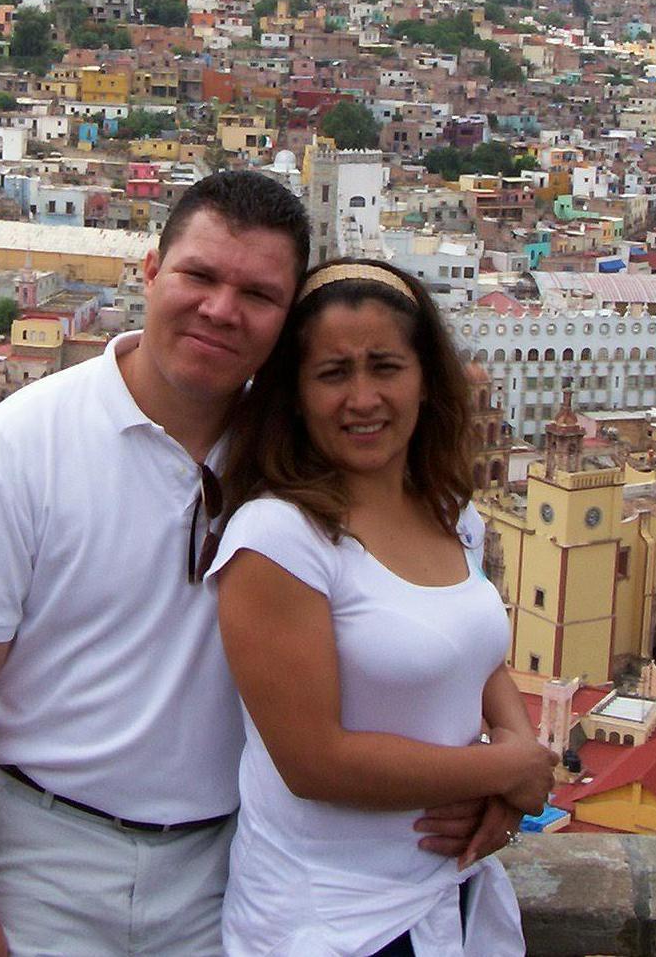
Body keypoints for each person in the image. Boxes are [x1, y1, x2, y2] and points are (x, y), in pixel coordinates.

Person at [0, 172, 490, 957]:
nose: (221, 309)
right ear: (150, 272)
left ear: (284, 320)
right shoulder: (21, 445)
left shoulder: (299, 458)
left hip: (229, 863)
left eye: (256, 293)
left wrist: (489, 770)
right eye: (199, 275)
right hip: (47, 856)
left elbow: (426, 609)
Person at [210, 258, 557, 956]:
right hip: (332, 924)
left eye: (385, 367)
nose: (362, 397)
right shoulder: (278, 537)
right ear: (296, 394)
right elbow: (314, 762)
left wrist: (517, 756)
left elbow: (472, 654)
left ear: (426, 381)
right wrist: (507, 769)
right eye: (333, 372)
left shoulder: (449, 513)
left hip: (447, 900)